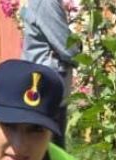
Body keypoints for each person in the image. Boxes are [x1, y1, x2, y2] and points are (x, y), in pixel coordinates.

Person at [21, 0, 79, 147]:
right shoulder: (46, 2)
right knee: (51, 154)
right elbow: (69, 49)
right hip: (48, 90)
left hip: (47, 88)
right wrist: (80, 46)